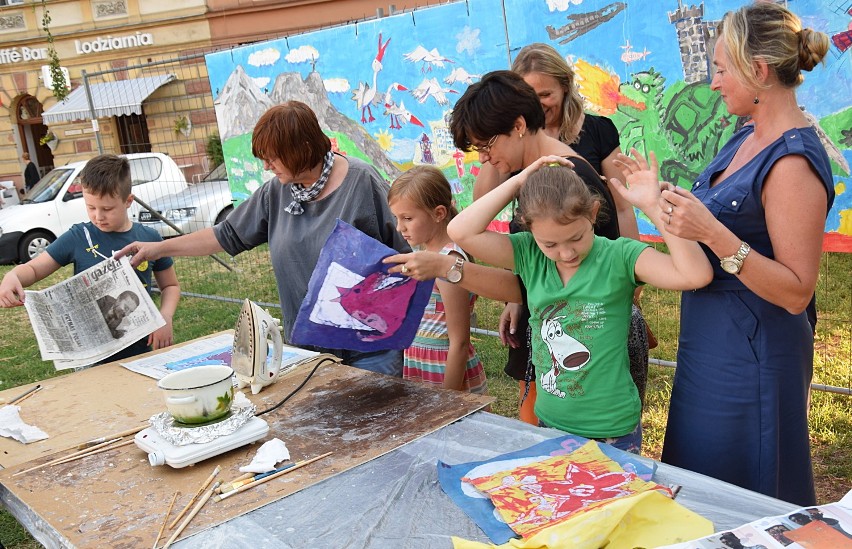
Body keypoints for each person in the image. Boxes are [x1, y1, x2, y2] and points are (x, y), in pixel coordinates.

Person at [657, 2, 834, 506]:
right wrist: (658, 201)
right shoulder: (745, 135)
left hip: (755, 353)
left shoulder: (793, 159)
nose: (713, 82)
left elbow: (798, 291)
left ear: (757, 71)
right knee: (701, 480)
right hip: (711, 342)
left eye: (720, 68)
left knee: (748, 489)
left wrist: (714, 234)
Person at [116, 101, 410, 376]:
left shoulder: (362, 182)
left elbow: (407, 257)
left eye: (273, 158)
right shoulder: (277, 192)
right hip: (310, 351)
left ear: (302, 148)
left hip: (371, 348)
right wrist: (158, 248)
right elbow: (226, 235)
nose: (267, 166)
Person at [446, 154, 712, 453]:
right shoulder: (529, 255)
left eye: (576, 237)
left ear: (593, 213)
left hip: (611, 429)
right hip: (550, 422)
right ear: (529, 230)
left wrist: (652, 206)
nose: (566, 253)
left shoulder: (619, 256)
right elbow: (460, 231)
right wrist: (519, 181)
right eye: (550, 244)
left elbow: (695, 274)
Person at [449, 69, 628, 425]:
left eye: (486, 145)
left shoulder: (562, 178)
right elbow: (543, 266)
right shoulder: (544, 173)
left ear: (517, 125)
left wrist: (518, 181)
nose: (484, 158)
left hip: (582, 365)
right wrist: (518, 297)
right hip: (554, 340)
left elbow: (582, 276)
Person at [0, 154, 180, 363]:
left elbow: (170, 286)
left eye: (107, 209)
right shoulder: (77, 237)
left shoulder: (149, 238)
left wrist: (165, 316)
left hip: (142, 350)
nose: (98, 216)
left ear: (128, 201)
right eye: (91, 207)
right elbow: (34, 269)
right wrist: (13, 276)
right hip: (92, 358)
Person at [387, 165, 487, 394]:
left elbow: (459, 342)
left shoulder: (448, 262)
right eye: (397, 218)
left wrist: (447, 401)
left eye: (408, 218)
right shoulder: (422, 255)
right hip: (419, 363)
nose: (399, 227)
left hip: (446, 372)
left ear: (439, 213)